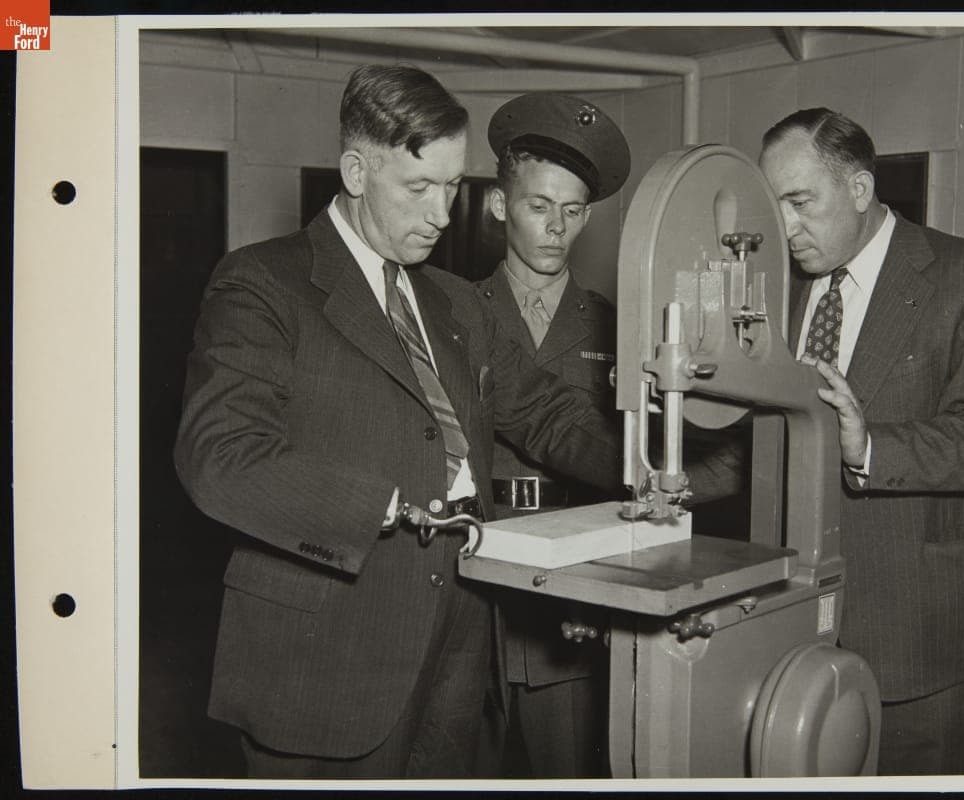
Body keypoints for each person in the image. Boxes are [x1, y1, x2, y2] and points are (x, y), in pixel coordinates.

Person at [172, 64, 626, 779]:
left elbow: (547, 414)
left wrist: (656, 466)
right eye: (418, 187)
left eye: (451, 187)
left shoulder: (454, 303)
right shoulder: (262, 283)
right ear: (355, 171)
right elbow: (220, 458)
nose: (443, 214)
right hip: (327, 660)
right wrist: (385, 505)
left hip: (455, 653)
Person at [758, 108, 964, 776]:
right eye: (775, 206)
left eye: (800, 202)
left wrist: (868, 447)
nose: (785, 228)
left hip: (922, 633)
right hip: (794, 617)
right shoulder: (776, 290)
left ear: (858, 189)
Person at [472, 92, 628, 779]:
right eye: (539, 206)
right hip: (471, 569)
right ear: (502, 205)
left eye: (571, 211)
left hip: (573, 578)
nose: (555, 227)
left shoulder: (615, 327)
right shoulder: (454, 314)